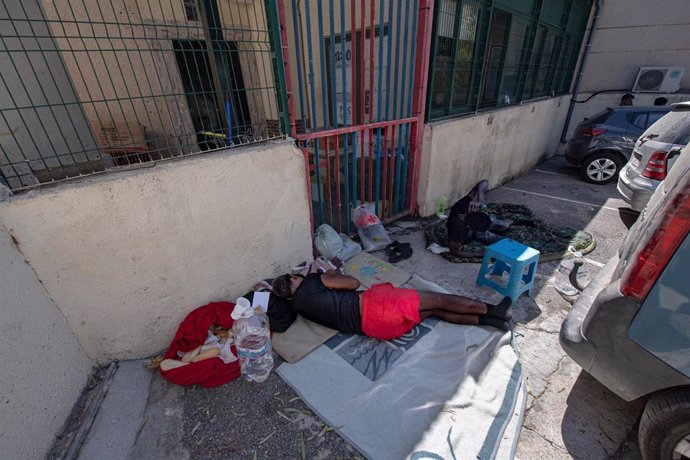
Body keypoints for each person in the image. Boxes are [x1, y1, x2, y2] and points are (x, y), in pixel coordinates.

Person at [271, 270, 512, 340]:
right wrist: (332, 274)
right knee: (439, 299)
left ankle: (490, 322)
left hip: (379, 330)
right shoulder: (312, 281)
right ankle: (494, 311)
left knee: (435, 311)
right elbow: (353, 283)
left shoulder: (298, 308)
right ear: (294, 279)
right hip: (379, 307)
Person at [446, 180, 512, 254]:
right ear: (468, 227)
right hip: (472, 235)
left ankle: (508, 223)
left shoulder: (468, 205)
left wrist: (479, 198)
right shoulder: (458, 229)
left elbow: (484, 182)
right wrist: (479, 255)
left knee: (504, 226)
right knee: (504, 243)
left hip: (477, 228)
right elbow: (455, 251)